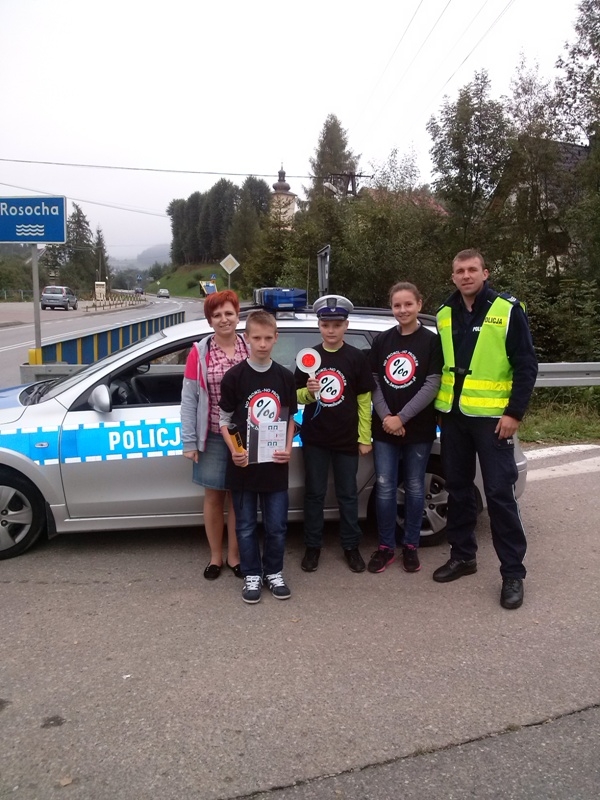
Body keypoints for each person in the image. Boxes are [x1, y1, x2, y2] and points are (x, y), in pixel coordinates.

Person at [432, 249, 538, 609]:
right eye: (459, 270)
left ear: (484, 273)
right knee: (459, 490)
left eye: (472, 269)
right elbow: (440, 367)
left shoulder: (507, 310)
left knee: (498, 494)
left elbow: (526, 365)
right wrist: (440, 411)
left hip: (494, 421)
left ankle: (513, 573)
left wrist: (514, 413)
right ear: (453, 276)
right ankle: (463, 556)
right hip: (454, 418)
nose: (466, 275)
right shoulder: (444, 314)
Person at [219, 310, 297, 604]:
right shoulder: (234, 377)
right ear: (247, 339)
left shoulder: (285, 377)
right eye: (256, 338)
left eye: (267, 338)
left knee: (277, 526)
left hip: (275, 466)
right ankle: (252, 574)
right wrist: (235, 451)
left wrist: (288, 448)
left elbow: (290, 419)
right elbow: (224, 420)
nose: (262, 344)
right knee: (245, 526)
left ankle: (274, 572)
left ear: (276, 338)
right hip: (243, 467)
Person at [295, 294, 375, 573]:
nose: (331, 330)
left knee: (348, 494)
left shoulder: (356, 358)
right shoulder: (308, 358)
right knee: (314, 494)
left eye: (337, 325)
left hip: (346, 439)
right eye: (326, 324)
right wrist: (309, 392)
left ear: (346, 326)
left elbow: (364, 401)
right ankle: (312, 546)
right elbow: (296, 395)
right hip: (315, 439)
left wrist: (364, 437)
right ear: (319, 325)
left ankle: (351, 546)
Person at [368, 282, 443, 574]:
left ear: (419, 305)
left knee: (414, 486)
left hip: (418, 428)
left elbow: (432, 384)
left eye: (408, 304)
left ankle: (411, 546)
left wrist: (402, 418)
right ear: (391, 307)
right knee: (385, 486)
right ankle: (386, 547)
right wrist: (388, 417)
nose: (402, 310)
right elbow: (374, 381)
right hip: (384, 427)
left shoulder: (431, 341)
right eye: (397, 305)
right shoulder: (382, 340)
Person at [180, 289, 248, 581]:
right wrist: (189, 441)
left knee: (238, 498)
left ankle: (235, 556)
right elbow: (189, 399)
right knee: (213, 497)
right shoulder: (199, 353)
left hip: (244, 435)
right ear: (209, 321)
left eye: (229, 313)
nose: (224, 319)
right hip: (213, 435)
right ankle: (215, 557)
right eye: (217, 315)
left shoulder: (250, 346)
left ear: (237, 316)